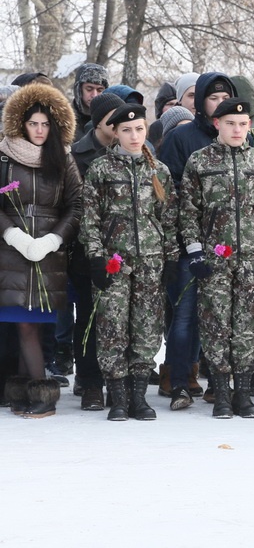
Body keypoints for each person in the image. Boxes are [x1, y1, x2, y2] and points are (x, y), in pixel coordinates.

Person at [179, 98, 254, 418]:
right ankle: (222, 392)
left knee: (248, 326)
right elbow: (189, 211)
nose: (237, 129)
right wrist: (195, 252)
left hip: (251, 259)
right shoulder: (200, 161)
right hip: (215, 259)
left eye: (243, 123)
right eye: (231, 123)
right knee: (216, 324)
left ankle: (243, 393)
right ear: (217, 124)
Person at [80, 103, 178, 421]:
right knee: (112, 329)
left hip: (150, 263)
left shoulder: (158, 171)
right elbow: (90, 220)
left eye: (139, 129)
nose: (134, 136)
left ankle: (138, 397)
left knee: (146, 330)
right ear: (116, 133)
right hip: (114, 263)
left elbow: (169, 220)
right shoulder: (101, 170)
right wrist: (96, 257)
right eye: (126, 130)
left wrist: (171, 260)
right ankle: (118, 397)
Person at [0, 83, 82, 417]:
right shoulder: (4, 156)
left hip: (48, 256)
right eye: (33, 123)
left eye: (45, 124)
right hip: (11, 254)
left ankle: (42, 395)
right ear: (22, 123)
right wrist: (13, 235)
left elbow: (76, 205)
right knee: (21, 324)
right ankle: (24, 390)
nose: (39, 130)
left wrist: (53, 240)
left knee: (31, 325)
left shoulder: (63, 157)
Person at [158, 72, 235, 410]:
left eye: (225, 97)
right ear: (202, 103)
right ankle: (179, 379)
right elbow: (170, 188)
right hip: (190, 243)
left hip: (230, 244)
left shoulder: (239, 137)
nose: (220, 104)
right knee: (185, 314)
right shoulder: (182, 138)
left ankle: (217, 379)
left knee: (222, 316)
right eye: (213, 98)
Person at [67, 92, 125, 410]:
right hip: (86, 250)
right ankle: (89, 382)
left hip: (124, 250)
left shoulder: (131, 150)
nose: (121, 125)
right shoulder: (77, 154)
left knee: (119, 319)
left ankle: (118, 379)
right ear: (99, 121)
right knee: (88, 317)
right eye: (113, 118)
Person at [70, 63, 109, 142]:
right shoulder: (64, 119)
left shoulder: (111, 121)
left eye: (99, 90)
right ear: (79, 89)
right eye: (89, 89)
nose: (94, 95)